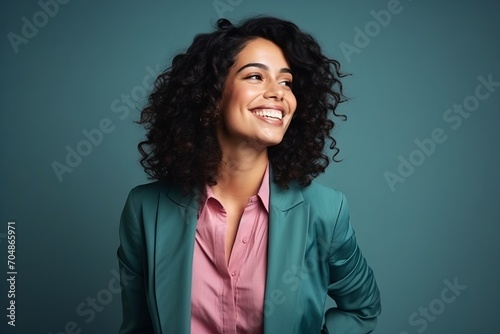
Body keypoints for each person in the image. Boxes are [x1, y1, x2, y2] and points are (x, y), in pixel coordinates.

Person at [117, 16, 381, 334]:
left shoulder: (324, 211)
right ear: (211, 97)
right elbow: (137, 327)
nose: (278, 93)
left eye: (286, 82)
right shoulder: (146, 208)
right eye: (256, 76)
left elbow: (362, 310)